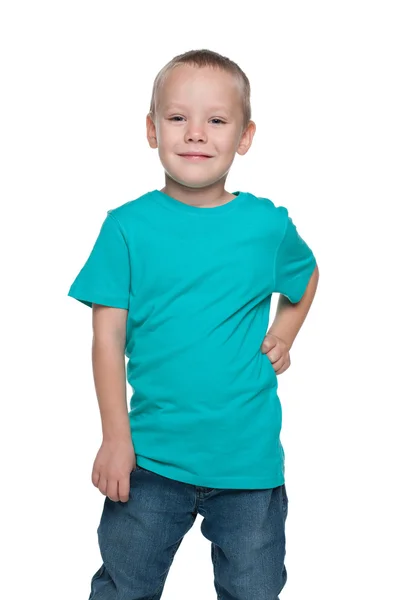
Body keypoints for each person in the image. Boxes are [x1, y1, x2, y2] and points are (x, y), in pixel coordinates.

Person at [68, 48, 319, 600]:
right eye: (178, 118)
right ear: (152, 130)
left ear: (245, 136)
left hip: (249, 465)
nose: (196, 134)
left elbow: (306, 276)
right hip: (151, 461)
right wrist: (115, 439)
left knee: (254, 590)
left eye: (217, 120)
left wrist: (285, 332)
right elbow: (106, 339)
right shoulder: (126, 228)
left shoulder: (266, 226)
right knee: (124, 587)